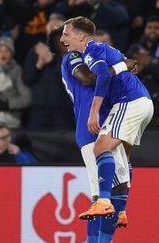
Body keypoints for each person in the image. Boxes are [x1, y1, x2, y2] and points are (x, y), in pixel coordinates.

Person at [61, 17, 153, 227]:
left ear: (81, 36)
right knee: (123, 156)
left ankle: (103, 201)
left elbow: (101, 75)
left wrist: (93, 113)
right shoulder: (100, 49)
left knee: (100, 147)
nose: (63, 38)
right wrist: (123, 65)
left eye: (67, 34)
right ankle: (121, 212)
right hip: (143, 101)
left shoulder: (91, 50)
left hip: (129, 102)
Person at [49, 26, 137, 242]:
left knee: (112, 190)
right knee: (104, 194)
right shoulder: (71, 56)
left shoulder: (85, 55)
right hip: (92, 129)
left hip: (104, 125)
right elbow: (89, 79)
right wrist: (121, 65)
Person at [22, 13, 74, 129]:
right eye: (51, 28)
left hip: (62, 112)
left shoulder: (72, 53)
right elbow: (26, 79)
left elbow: (71, 81)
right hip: (37, 110)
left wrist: (53, 61)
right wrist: (39, 65)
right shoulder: (36, 50)